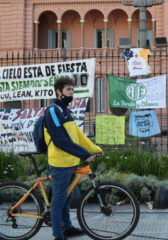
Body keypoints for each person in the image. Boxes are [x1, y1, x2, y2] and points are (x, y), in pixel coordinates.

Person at [44, 77, 103, 240]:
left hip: (70, 162)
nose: (72, 93)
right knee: (58, 199)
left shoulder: (65, 111)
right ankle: (57, 234)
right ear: (59, 91)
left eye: (72, 90)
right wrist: (84, 154)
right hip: (60, 163)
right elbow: (60, 140)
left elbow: (78, 136)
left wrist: (95, 149)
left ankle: (68, 228)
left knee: (66, 197)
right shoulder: (53, 111)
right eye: (69, 90)